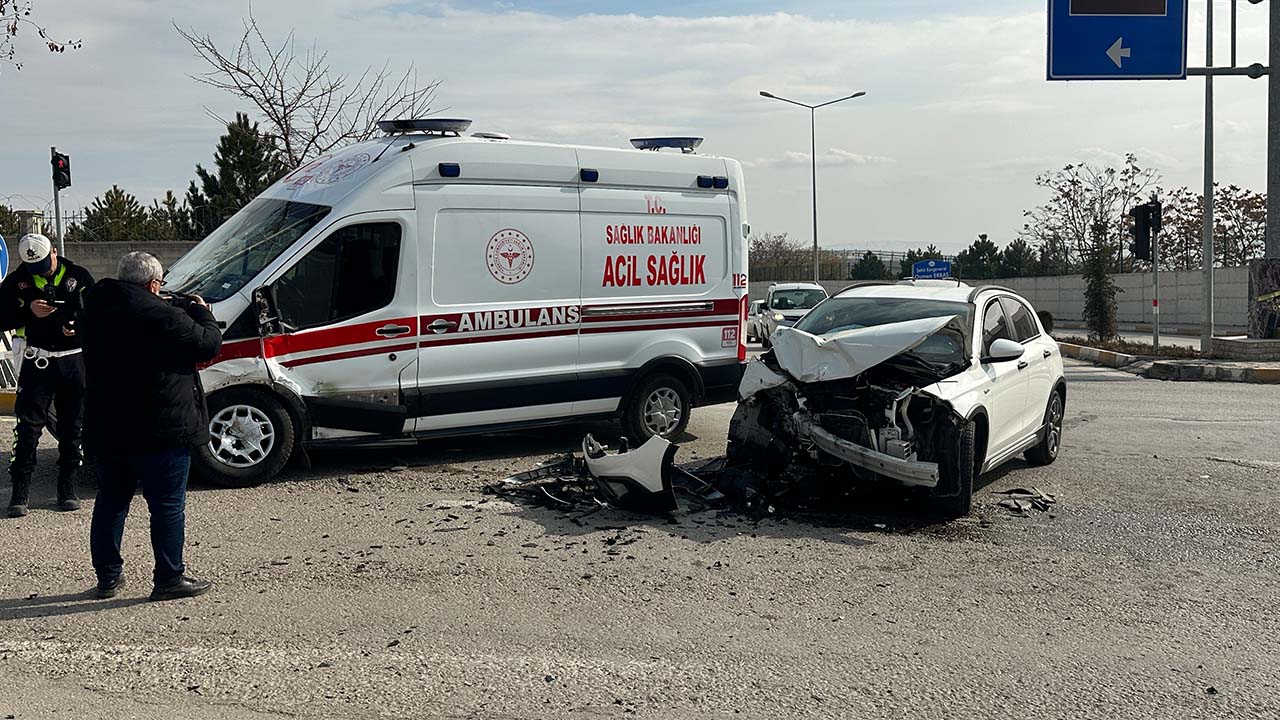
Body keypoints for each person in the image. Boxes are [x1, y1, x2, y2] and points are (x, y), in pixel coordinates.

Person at [80, 252, 222, 601]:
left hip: (108, 426)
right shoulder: (162, 314)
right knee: (167, 506)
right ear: (154, 284)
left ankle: (108, 577)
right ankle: (169, 578)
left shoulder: (93, 310)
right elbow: (208, 342)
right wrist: (200, 309)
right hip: (161, 428)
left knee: (111, 502)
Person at [0, 233, 94, 516]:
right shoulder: (17, 282)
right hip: (36, 361)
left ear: (54, 251)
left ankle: (67, 488)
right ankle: (20, 492)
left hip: (73, 361)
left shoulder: (78, 276)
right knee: (27, 428)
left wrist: (79, 327)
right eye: (35, 268)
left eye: (44, 264)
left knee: (72, 427)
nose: (41, 272)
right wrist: (28, 311)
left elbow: (98, 313)